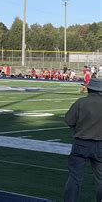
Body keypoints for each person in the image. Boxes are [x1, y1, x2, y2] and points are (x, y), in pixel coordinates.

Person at [64, 74, 102, 202]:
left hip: (81, 143)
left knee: (75, 178)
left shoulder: (81, 102)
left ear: (88, 89)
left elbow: (69, 120)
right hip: (101, 145)